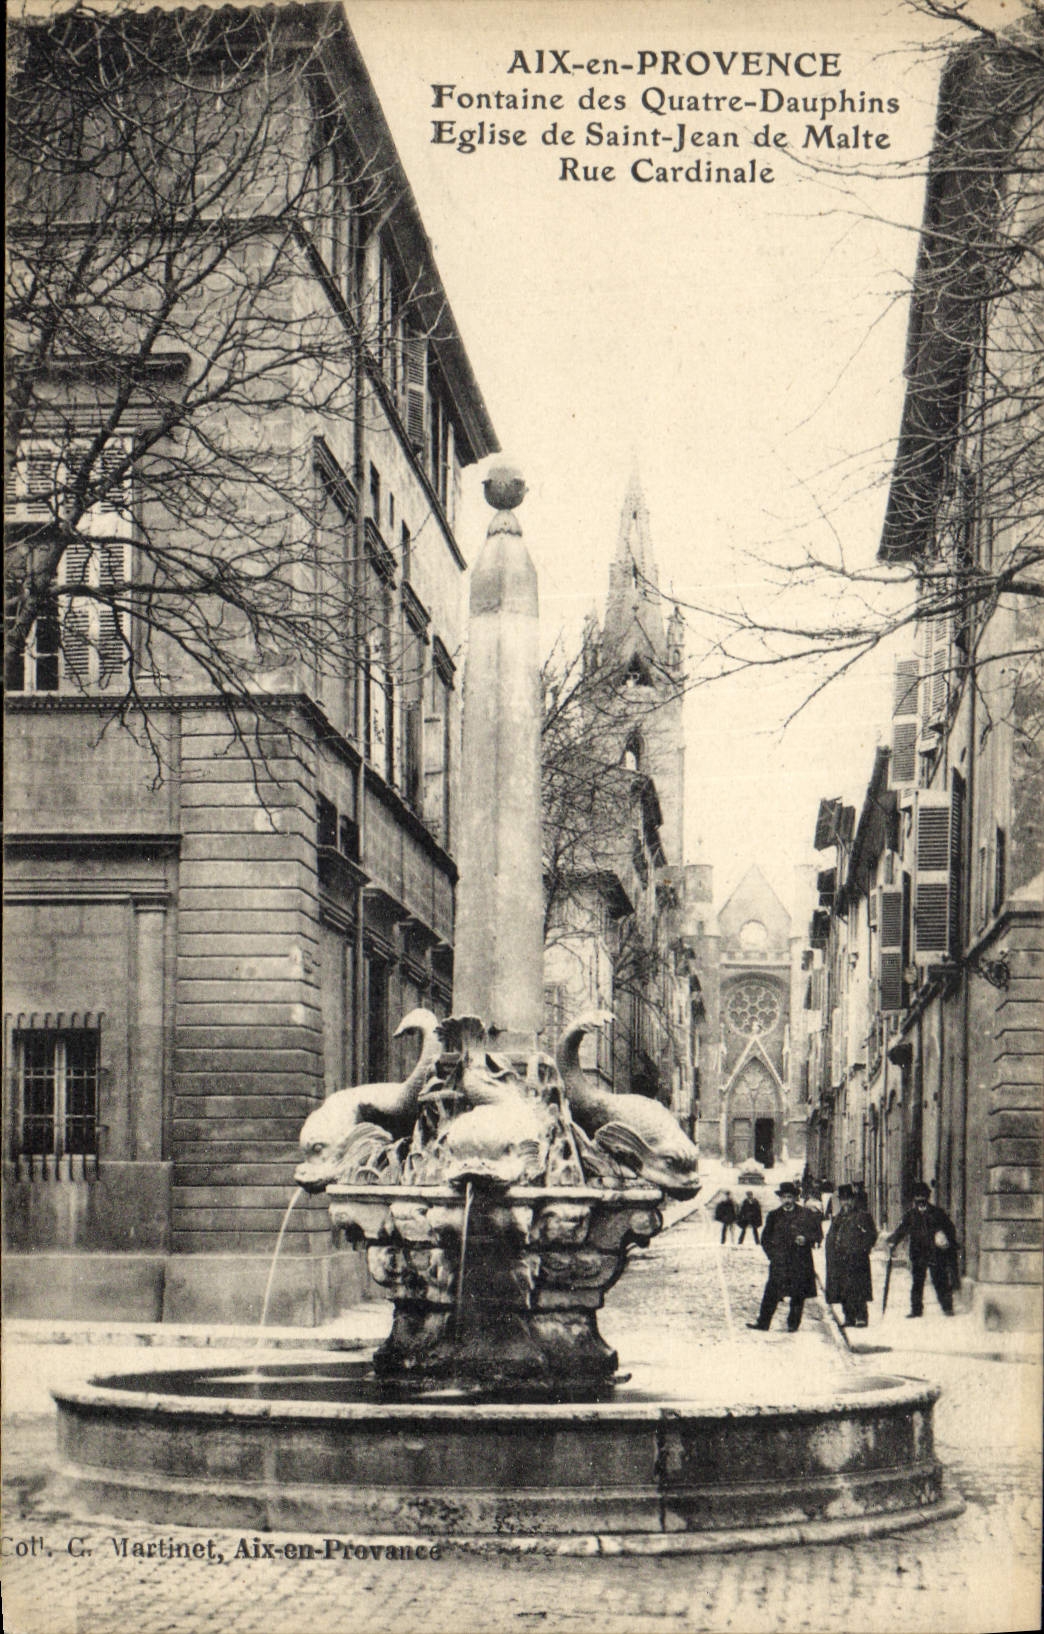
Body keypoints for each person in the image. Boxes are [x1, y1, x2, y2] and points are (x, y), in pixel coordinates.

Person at [747, 1181, 823, 1332]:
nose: (787, 1200)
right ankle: (763, 1323)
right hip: (780, 1262)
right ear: (780, 1198)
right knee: (771, 1293)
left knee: (798, 1294)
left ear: (795, 1198)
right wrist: (773, 1256)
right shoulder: (774, 1216)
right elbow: (765, 1239)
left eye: (790, 1197)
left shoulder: (806, 1214)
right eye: (784, 1197)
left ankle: (793, 1324)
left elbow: (818, 1234)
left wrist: (806, 1238)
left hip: (800, 1261)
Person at [887, 1181, 959, 1317]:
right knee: (917, 1282)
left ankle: (947, 1307)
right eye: (917, 1197)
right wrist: (893, 1241)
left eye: (923, 1197)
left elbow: (949, 1229)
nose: (920, 1200)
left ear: (928, 1197)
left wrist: (947, 1240)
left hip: (935, 1253)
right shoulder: (911, 1215)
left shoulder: (938, 1213)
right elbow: (902, 1230)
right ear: (914, 1199)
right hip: (918, 1253)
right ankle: (916, 1310)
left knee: (940, 1280)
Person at [824, 1182, 878, 1327]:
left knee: (858, 1289)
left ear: (854, 1200)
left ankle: (861, 1317)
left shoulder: (863, 1216)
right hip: (840, 1260)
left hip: (857, 1260)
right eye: (843, 1199)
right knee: (843, 1290)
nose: (846, 1202)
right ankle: (849, 1317)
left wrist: (862, 1249)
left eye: (848, 1199)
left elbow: (871, 1235)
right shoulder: (837, 1218)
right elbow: (831, 1237)